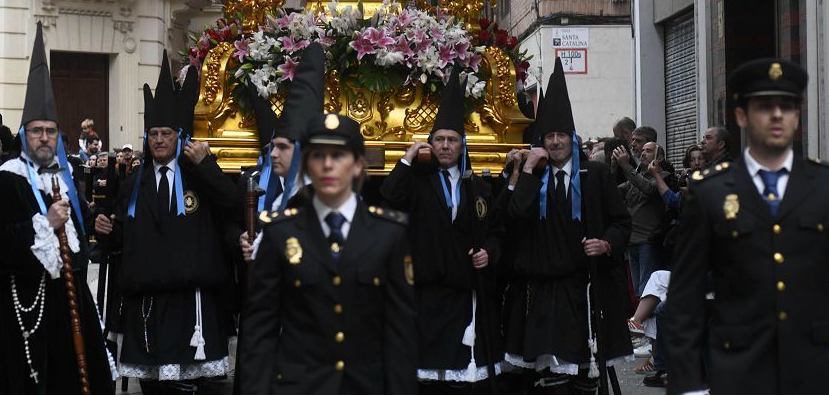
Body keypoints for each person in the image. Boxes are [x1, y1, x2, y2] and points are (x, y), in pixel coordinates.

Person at [666, 58, 829, 394]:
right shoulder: (711, 192)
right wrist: (688, 384)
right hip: (740, 370)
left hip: (817, 369)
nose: (777, 115)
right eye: (765, 106)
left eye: (788, 106)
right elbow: (684, 298)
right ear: (741, 117)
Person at [0, 23, 114, 393]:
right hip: (25, 303)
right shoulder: (7, 180)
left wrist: (94, 226)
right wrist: (42, 224)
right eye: (36, 131)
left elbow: (79, 237)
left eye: (50, 131)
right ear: (24, 136)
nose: (44, 138)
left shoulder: (63, 177)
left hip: (69, 301)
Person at [238, 112, 417, 394]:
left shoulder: (388, 234)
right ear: (306, 165)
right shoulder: (281, 233)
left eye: (339, 155)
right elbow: (260, 331)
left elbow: (400, 334)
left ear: (358, 165)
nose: (328, 165)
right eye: (318, 155)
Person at [95, 52, 237, 393]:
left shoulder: (198, 176)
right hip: (147, 303)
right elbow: (122, 240)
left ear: (180, 136)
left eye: (167, 133)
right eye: (154, 133)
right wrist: (106, 232)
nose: (160, 140)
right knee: (155, 388)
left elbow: (232, 206)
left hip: (192, 303)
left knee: (191, 385)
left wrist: (207, 167)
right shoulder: (132, 184)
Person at [504, 58, 632, 393]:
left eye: (562, 135)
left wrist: (605, 244)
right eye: (549, 136)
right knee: (551, 378)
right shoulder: (534, 177)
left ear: (572, 138)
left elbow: (621, 223)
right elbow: (515, 215)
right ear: (541, 141)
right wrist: (528, 172)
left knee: (585, 377)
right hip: (544, 292)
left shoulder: (596, 176)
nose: (556, 142)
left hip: (586, 290)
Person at [381, 67, 503, 391]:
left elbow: (496, 231)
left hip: (465, 292)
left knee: (460, 380)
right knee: (427, 378)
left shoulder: (478, 187)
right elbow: (389, 197)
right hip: (426, 293)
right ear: (430, 144)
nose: (446, 146)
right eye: (440, 140)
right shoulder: (417, 183)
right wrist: (407, 158)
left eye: (452, 140)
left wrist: (489, 252)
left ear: (462, 145)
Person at [240, 42, 327, 262]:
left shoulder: (323, 200)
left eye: (283, 147)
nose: (273, 154)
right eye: (273, 146)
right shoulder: (281, 201)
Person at [617, 140, 671, 296]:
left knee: (647, 289)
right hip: (632, 240)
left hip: (647, 240)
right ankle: (641, 320)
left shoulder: (664, 177)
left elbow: (648, 188)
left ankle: (649, 320)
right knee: (636, 289)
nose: (643, 153)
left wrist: (626, 166)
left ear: (659, 158)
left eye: (648, 151)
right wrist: (614, 167)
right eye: (643, 151)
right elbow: (617, 190)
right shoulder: (637, 176)